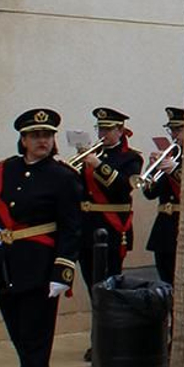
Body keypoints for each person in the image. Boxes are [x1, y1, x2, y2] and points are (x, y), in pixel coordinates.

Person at [0, 107, 83, 367]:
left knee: (36, 344)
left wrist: (61, 272)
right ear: (23, 140)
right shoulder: (4, 171)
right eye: (36, 136)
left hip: (40, 269)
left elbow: (71, 229)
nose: (43, 141)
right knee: (23, 343)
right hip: (6, 266)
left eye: (47, 135)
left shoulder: (63, 177)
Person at [75, 107, 143, 294]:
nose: (102, 134)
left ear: (120, 131)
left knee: (110, 283)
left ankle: (110, 322)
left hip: (112, 227)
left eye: (107, 130)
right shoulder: (91, 156)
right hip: (87, 228)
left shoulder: (131, 157)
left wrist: (98, 165)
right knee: (91, 282)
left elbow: (123, 187)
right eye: (100, 129)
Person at [141, 107, 184, 284]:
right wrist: (151, 170)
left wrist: (174, 170)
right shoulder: (170, 155)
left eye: (179, 129)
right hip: (164, 231)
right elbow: (150, 193)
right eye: (172, 130)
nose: (174, 134)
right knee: (167, 282)